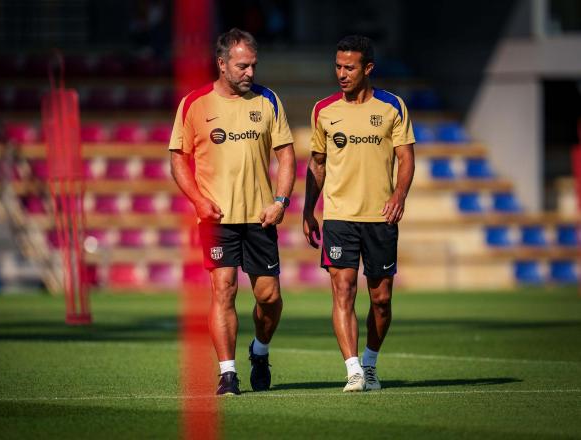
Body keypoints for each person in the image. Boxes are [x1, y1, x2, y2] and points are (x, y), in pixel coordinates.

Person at [169, 28, 296, 395]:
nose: (250, 73)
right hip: (216, 219)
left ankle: (260, 350)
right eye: (242, 66)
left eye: (253, 66)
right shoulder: (194, 104)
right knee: (223, 290)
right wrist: (197, 200)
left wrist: (281, 202)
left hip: (260, 217)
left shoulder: (268, 100)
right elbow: (178, 160)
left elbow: (286, 154)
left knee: (269, 298)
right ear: (221, 64)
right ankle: (228, 373)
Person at [302, 35, 415, 392]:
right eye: (337, 66)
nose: (341, 73)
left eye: (349, 67)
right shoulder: (324, 109)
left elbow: (406, 158)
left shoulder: (393, 106)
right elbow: (317, 164)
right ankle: (352, 369)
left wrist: (399, 194)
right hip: (339, 217)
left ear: (368, 68)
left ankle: (369, 363)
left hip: (380, 218)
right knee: (343, 290)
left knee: (381, 301)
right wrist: (308, 209)